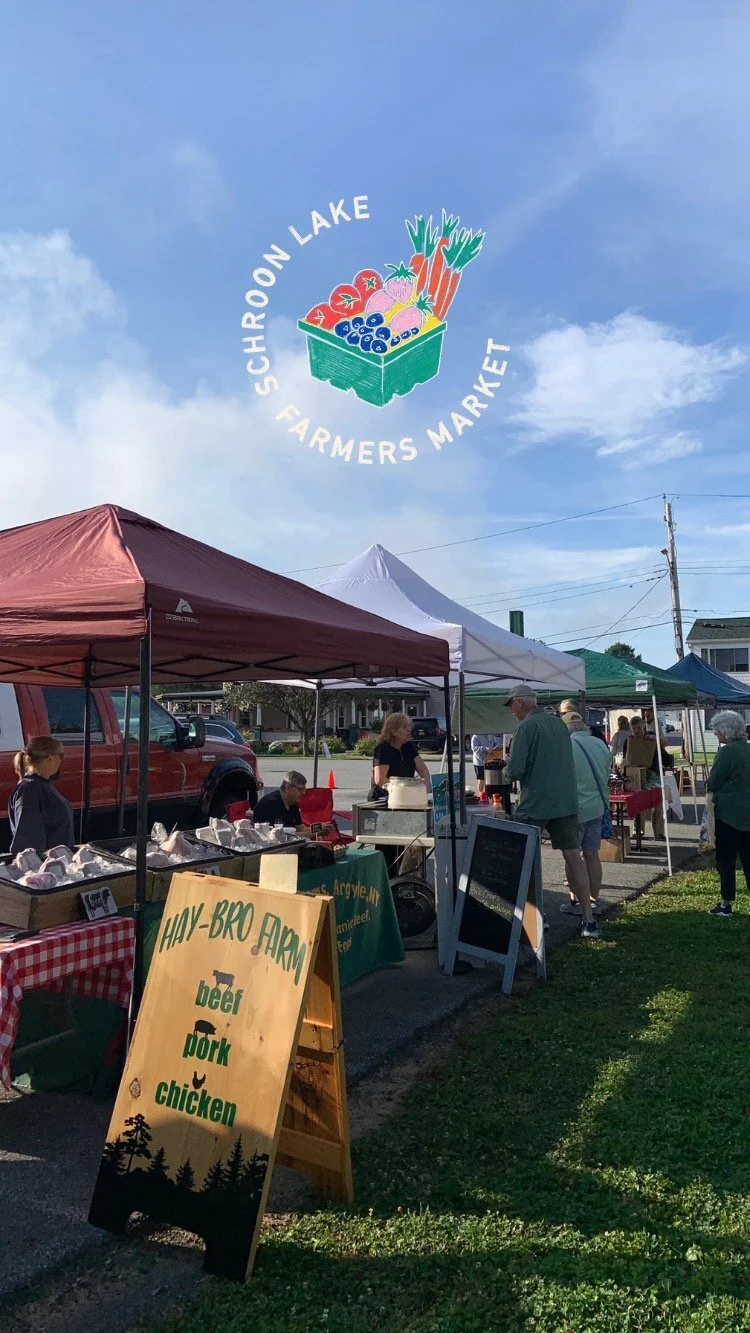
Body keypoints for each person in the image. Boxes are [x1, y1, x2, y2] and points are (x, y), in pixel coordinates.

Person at [504, 685, 600, 938]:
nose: (511, 711)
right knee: (574, 857)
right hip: (566, 801)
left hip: (536, 802)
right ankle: (589, 920)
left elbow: (515, 770)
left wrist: (503, 770)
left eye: (511, 705)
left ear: (518, 703)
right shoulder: (559, 725)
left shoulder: (526, 727)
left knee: (526, 858)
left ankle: (536, 918)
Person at [559, 714, 611, 918]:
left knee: (572, 858)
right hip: (598, 806)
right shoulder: (599, 743)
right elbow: (607, 772)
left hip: (575, 809)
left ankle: (575, 899)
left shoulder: (567, 746)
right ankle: (594, 899)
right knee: (592, 854)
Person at [706, 711, 750, 916]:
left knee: (726, 860)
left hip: (729, 814)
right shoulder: (747, 749)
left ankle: (726, 903)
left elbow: (713, 782)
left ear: (726, 730)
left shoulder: (726, 752)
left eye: (717, 730)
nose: (715, 734)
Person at [9, 736, 75, 856]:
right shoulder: (29, 790)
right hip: (45, 868)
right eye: (61, 756)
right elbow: (28, 842)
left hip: (57, 863)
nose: (61, 760)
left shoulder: (41, 785)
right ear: (49, 758)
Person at [369, 713, 431, 801]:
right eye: (404, 727)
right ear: (393, 731)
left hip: (407, 797)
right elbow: (380, 779)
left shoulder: (408, 747)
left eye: (409, 726)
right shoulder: (383, 749)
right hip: (383, 799)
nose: (409, 730)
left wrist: (426, 792)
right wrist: (402, 791)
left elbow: (423, 770)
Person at [252, 771, 325, 838]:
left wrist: (319, 828)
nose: (304, 793)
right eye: (300, 789)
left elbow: (301, 828)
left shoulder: (292, 802)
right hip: (271, 847)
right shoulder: (270, 805)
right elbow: (276, 836)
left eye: (304, 790)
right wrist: (312, 834)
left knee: (318, 838)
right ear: (288, 788)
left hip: (287, 844)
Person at [470, 733, 504, 801]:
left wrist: (498, 747)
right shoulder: (476, 736)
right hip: (479, 762)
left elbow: (496, 743)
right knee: (481, 780)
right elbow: (474, 748)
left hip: (489, 761)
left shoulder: (490, 735)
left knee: (490, 780)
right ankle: (481, 796)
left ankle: (488, 795)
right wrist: (485, 748)